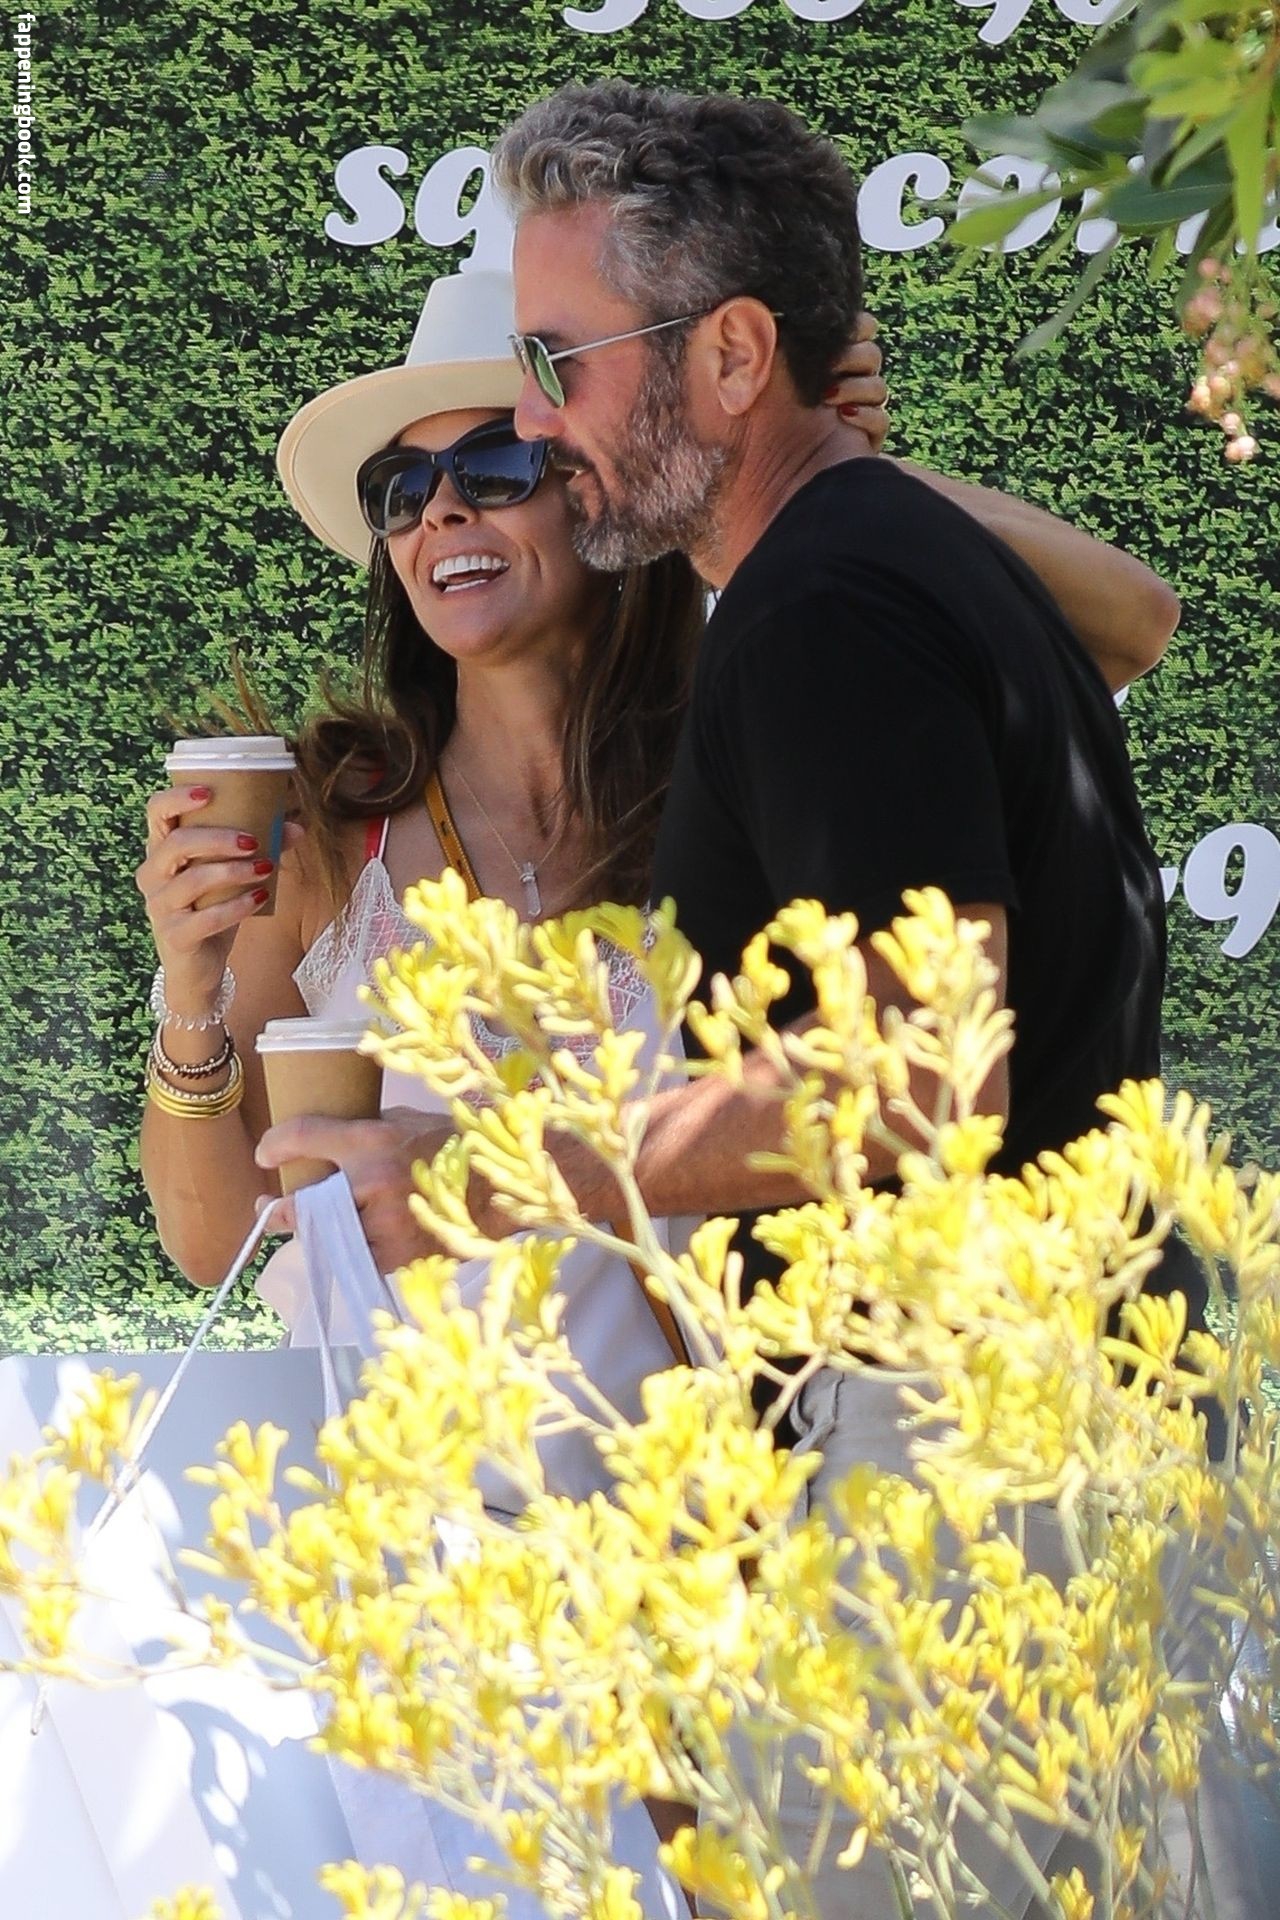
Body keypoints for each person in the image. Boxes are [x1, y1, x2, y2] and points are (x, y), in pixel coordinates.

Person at [453, 80, 1248, 1919]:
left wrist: (522, 1165)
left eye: (558, 362)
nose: (531, 423)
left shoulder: (824, 610)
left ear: (733, 355)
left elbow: (919, 1073)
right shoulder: (880, 574)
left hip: (961, 1452)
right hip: (1032, 1424)